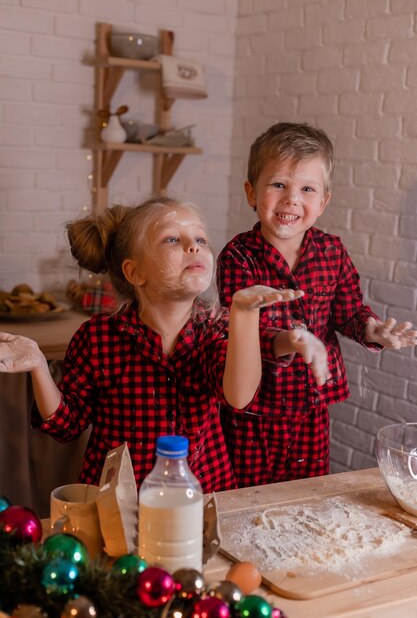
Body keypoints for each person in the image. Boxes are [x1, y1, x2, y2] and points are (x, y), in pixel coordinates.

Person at [0, 196, 302, 494]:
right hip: (118, 505)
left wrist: (245, 314)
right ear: (135, 273)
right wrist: (39, 365)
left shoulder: (216, 329)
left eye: (200, 238)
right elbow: (67, 425)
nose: (193, 246)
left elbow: (237, 396)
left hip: (202, 499)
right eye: (172, 240)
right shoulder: (97, 338)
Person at [217, 121, 417, 488]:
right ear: (251, 192)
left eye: (307, 189)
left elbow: (349, 312)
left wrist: (375, 330)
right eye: (278, 184)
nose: (292, 199)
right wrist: (292, 340)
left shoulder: (331, 251)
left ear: (322, 202)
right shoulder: (238, 257)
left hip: (312, 406)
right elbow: (247, 334)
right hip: (256, 410)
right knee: (249, 496)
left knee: (307, 492)